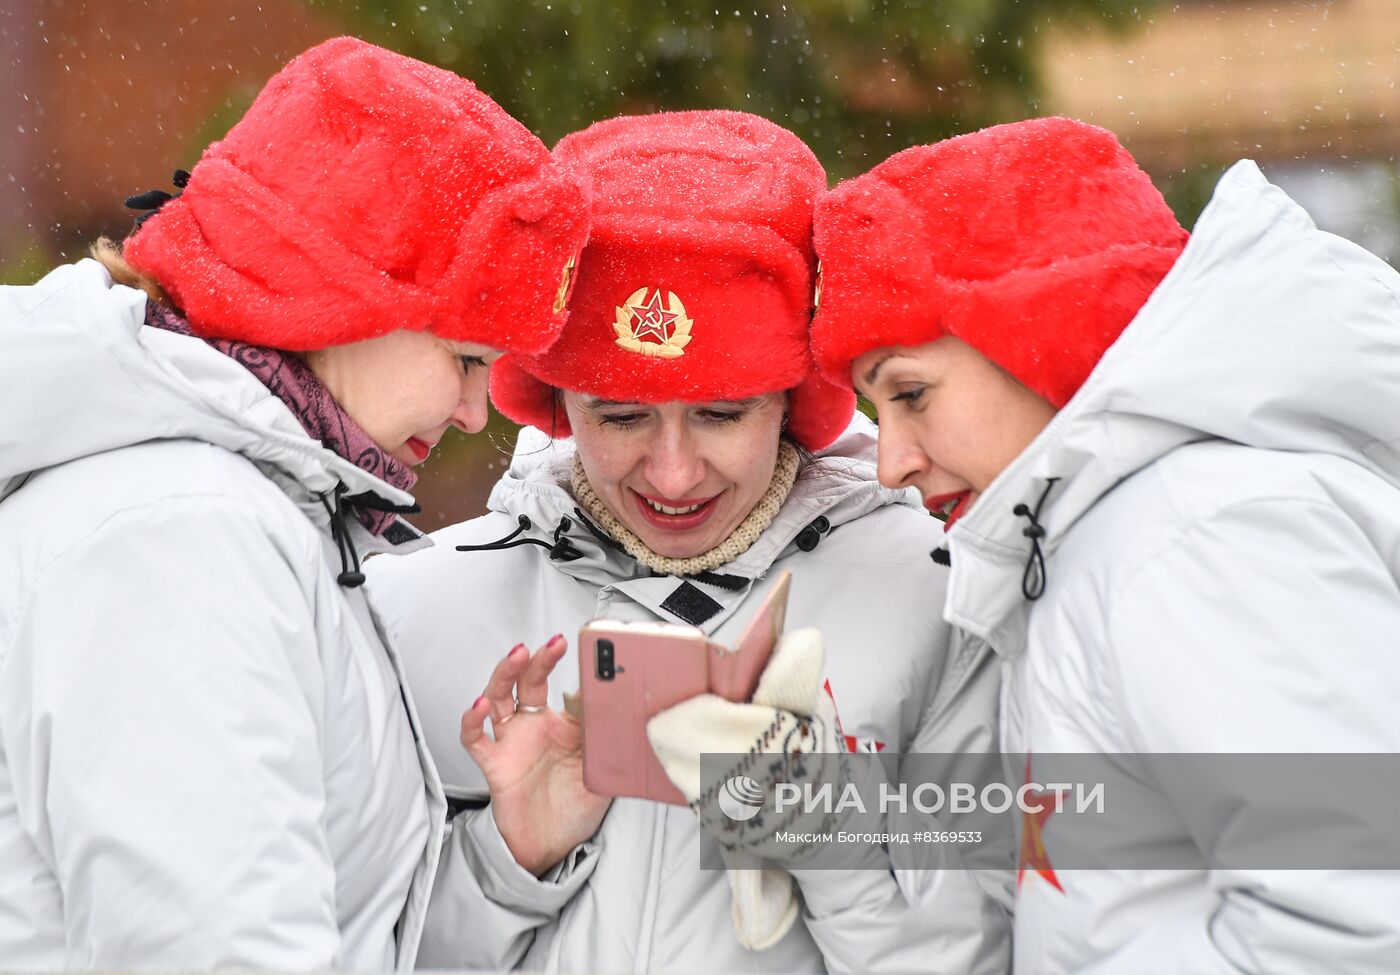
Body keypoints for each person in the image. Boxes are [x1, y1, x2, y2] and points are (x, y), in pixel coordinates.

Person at [366, 109, 1011, 973]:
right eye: (622, 414)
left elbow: (988, 954)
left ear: (794, 398)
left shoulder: (938, 601)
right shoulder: (414, 606)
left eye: (720, 413)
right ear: (557, 401)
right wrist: (507, 862)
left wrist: (828, 843)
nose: (671, 474)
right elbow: (339, 944)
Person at [0, 37, 589, 968]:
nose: (478, 411)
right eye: (467, 358)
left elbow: (342, 930)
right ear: (340, 296)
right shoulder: (179, 536)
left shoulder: (262, 513)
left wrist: (505, 855)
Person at [810, 115, 1400, 973]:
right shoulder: (1095, 544)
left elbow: (1359, 924)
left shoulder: (1194, 541)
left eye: (911, 393)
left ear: (1037, 331)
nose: (892, 461)